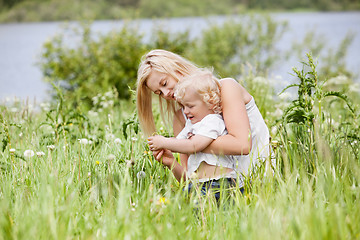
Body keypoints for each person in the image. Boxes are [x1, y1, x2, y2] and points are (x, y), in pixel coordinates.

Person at [136, 49, 271, 187]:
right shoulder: (181, 117)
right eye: (159, 93)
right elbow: (191, 180)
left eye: (164, 83)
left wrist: (183, 145)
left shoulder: (225, 88)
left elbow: (242, 145)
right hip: (220, 192)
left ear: (177, 69)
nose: (166, 94)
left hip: (260, 182)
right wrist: (171, 162)